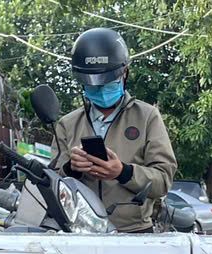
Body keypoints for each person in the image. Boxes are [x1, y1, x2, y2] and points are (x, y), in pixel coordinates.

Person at [51, 27, 177, 233]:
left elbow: (163, 180)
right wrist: (71, 169)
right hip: (81, 234)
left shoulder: (147, 117)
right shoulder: (67, 124)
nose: (101, 89)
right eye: (93, 84)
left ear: (124, 72)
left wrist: (123, 172)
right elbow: (53, 184)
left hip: (134, 232)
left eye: (107, 82)